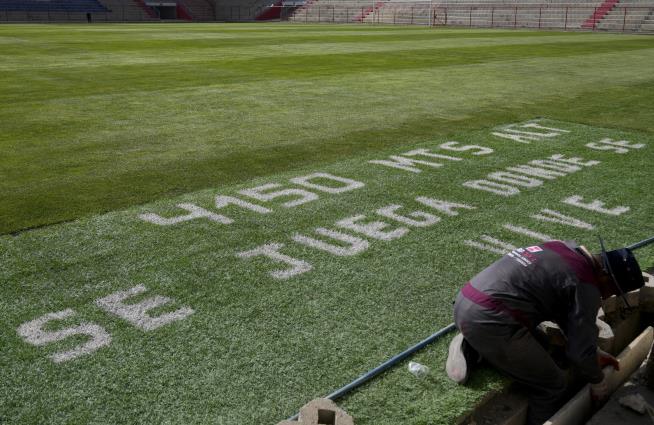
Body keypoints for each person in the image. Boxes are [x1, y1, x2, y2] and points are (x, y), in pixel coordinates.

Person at [445, 240, 645, 425]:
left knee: (545, 345)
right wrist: (598, 382)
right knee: (553, 385)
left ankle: (474, 343)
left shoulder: (563, 247)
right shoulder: (586, 285)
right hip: (492, 320)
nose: (607, 295)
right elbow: (579, 353)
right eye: (611, 289)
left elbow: (569, 318)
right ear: (604, 275)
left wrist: (593, 353)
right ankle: (479, 342)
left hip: (467, 301)